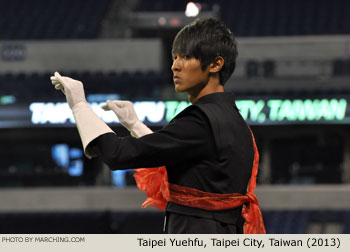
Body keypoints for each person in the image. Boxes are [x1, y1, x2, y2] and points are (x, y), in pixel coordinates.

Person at [50, 17, 265, 234]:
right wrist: (134, 124)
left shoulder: (199, 120)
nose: (175, 66)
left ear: (216, 64)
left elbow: (119, 154)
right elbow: (172, 157)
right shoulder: (237, 122)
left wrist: (79, 105)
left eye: (186, 57)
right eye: (174, 57)